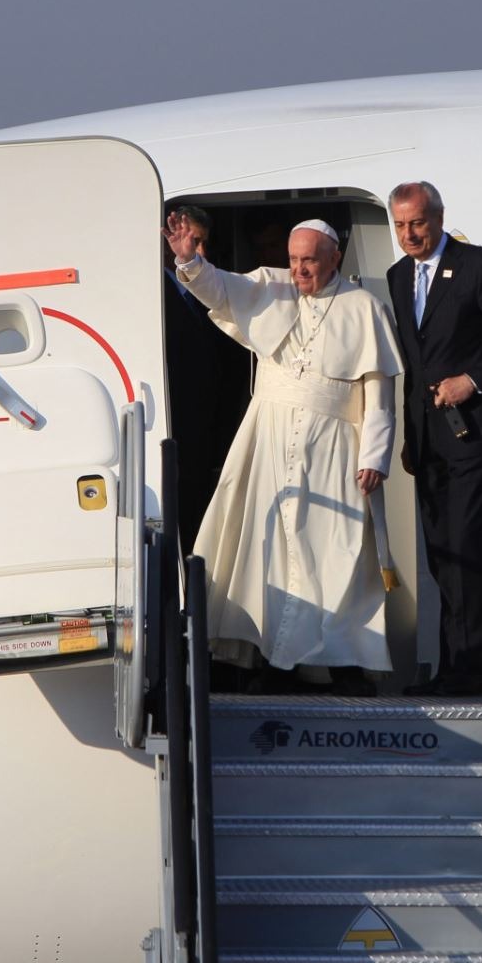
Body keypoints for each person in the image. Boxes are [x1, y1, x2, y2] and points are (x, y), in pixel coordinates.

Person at [166, 214, 402, 692]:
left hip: (334, 449)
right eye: (294, 260)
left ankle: (343, 666)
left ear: (334, 258)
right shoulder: (270, 287)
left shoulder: (364, 307)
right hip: (269, 441)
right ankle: (267, 662)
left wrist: (374, 457)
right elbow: (219, 289)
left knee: (334, 554)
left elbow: (379, 394)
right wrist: (188, 260)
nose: (299, 270)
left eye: (309, 260)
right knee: (267, 549)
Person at [386, 182, 482, 696]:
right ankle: (452, 667)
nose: (409, 235)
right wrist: (409, 435)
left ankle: (469, 671)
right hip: (429, 441)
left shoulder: (478, 266)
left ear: (439, 217)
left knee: (466, 547)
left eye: (417, 224)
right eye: (400, 225)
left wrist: (470, 381)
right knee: (441, 555)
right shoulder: (398, 276)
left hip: (475, 433)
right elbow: (414, 367)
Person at [161, 203, 244, 552]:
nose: (202, 252)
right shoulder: (153, 294)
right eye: (194, 241)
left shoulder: (211, 291)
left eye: (204, 243)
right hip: (172, 427)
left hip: (206, 431)